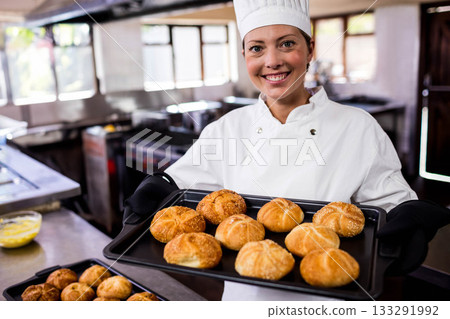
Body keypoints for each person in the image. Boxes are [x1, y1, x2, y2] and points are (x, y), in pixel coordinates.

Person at [123, 0, 450, 300]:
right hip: (244, 300)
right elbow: (186, 188)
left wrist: (407, 214)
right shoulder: (226, 129)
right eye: (257, 48)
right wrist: (162, 186)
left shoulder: (359, 127)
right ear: (245, 57)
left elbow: (388, 205)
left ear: (309, 49)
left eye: (287, 44)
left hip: (335, 296)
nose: (272, 61)